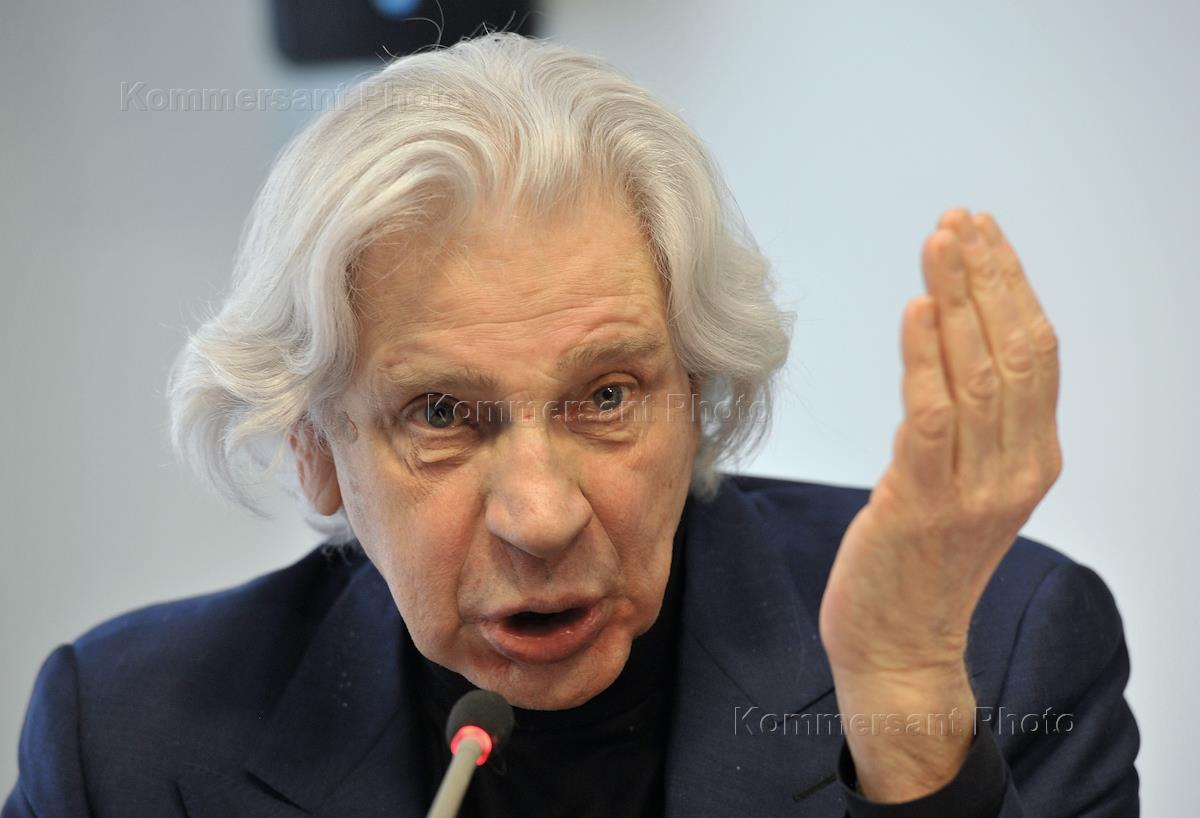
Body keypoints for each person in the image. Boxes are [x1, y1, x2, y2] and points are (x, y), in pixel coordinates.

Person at [3, 32, 1138, 817]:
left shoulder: (994, 650)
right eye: (440, 414)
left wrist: (909, 728)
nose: (541, 517)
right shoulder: (128, 738)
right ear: (315, 447)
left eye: (606, 396)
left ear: (700, 397)